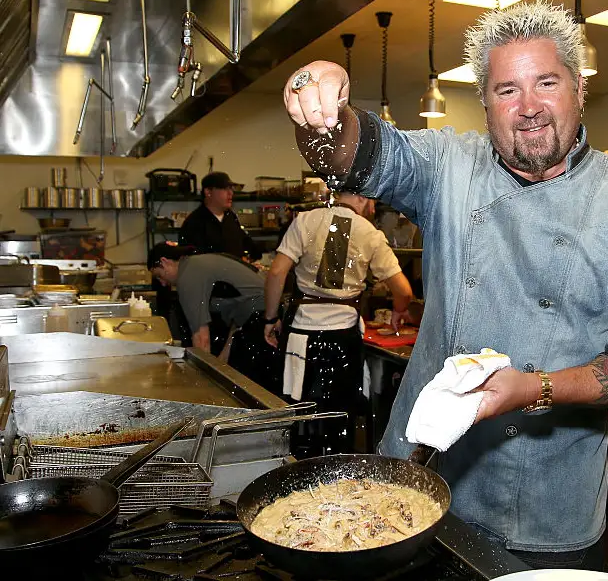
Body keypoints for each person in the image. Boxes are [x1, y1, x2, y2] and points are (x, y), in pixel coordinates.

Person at [281, 0, 608, 568]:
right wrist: (320, 111)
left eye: (546, 82)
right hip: (418, 488)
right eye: (507, 90)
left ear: (579, 88)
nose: (529, 107)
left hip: (550, 506)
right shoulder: (449, 167)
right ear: (485, 103)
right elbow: (359, 157)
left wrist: (535, 389)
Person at [263, 191, 414, 455]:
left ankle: (297, 466)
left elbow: (276, 272)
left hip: (301, 336)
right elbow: (404, 290)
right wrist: (398, 311)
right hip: (342, 338)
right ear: (363, 198)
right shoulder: (369, 233)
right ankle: (337, 468)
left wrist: (270, 318)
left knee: (297, 412)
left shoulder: (305, 221)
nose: (372, 208)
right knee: (340, 416)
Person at [147, 242, 280, 390]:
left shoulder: (188, 277)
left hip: (261, 319)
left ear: (164, 262)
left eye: (159, 276)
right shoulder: (196, 263)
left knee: (253, 389)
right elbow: (237, 319)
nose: (162, 283)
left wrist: (202, 385)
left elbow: (201, 339)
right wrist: (219, 365)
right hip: (265, 313)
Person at [179, 171, 261, 261]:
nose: (231, 193)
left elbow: (246, 244)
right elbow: (191, 261)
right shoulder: (194, 223)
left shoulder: (231, 217)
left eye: (231, 189)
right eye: (225, 189)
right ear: (208, 192)